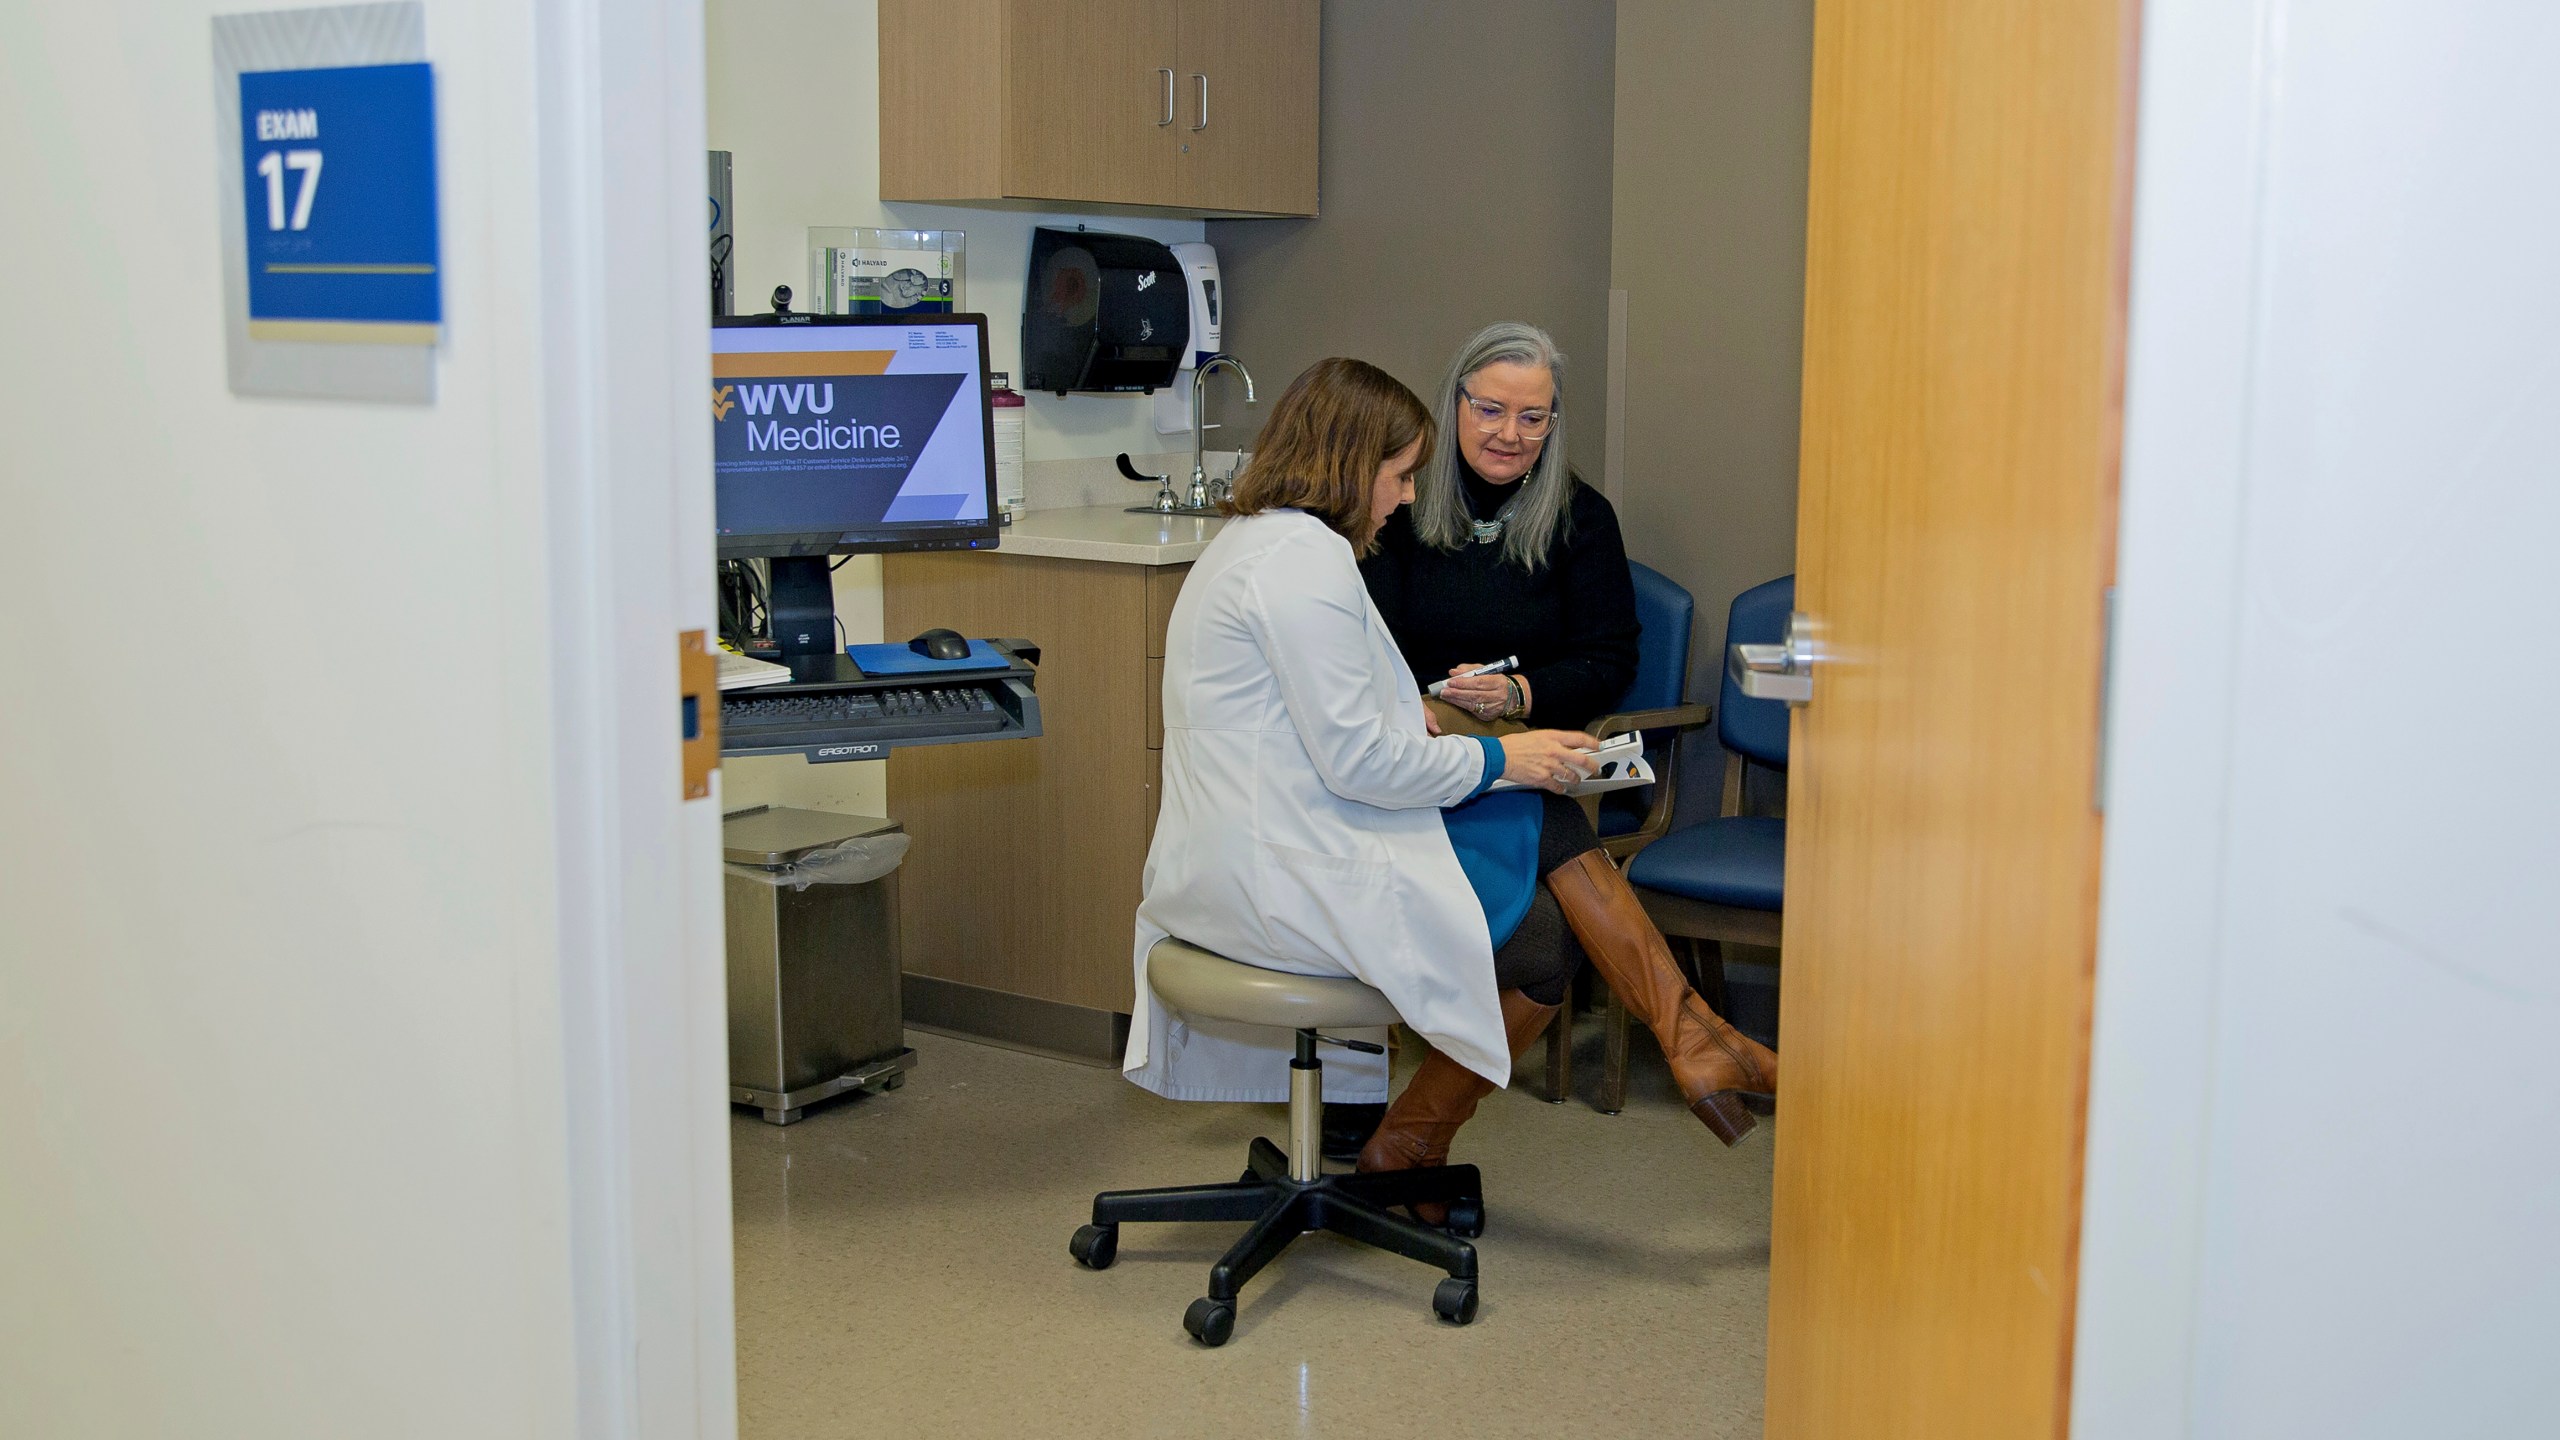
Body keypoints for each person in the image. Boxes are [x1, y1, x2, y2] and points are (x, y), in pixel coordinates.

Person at [1123, 358, 1775, 1222]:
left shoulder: (1264, 544)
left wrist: (1447, 727)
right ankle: (1439, 1132)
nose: (1400, 500)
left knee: (1534, 842)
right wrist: (1507, 759)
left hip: (1275, 834)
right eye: (1396, 477)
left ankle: (1673, 1045)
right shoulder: (1302, 566)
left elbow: (1326, 727)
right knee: (1541, 931)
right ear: (1352, 466)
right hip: (1281, 869)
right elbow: (1357, 764)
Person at [1342, 321, 1781, 1168]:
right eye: (1492, 410)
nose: (1511, 434)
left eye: (1534, 417)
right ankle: (1690, 1035)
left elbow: (1612, 660)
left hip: (1519, 761)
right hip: (1409, 762)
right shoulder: (1396, 504)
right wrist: (1433, 699)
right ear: (1456, 406)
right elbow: (1362, 642)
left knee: (1549, 924)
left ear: (1555, 423)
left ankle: (1410, 1139)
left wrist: (1517, 693)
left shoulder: (1582, 517)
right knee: (1544, 843)